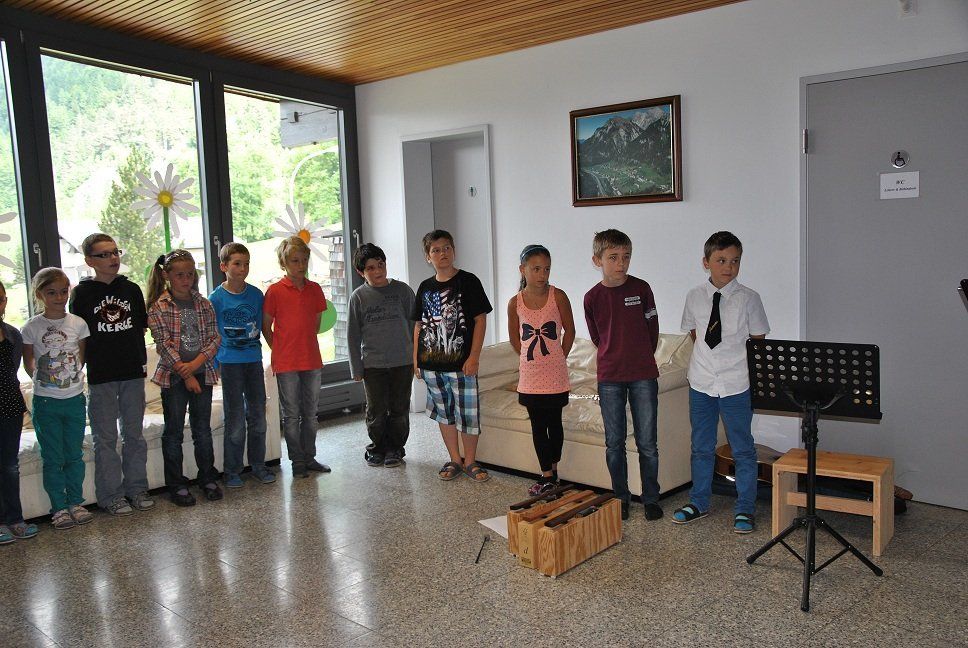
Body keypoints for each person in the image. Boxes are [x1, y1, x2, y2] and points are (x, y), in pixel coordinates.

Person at [674, 231, 770, 534]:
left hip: (736, 384)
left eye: (735, 261)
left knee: (742, 448)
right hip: (701, 382)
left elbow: (757, 341)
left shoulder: (749, 299)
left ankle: (745, 508)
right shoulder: (694, 296)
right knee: (701, 446)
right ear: (706, 262)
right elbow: (696, 334)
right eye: (721, 260)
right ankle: (699, 502)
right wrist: (710, 363)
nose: (729, 267)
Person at [69, 233, 153, 516]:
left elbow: (141, 327)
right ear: (89, 261)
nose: (113, 258)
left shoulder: (131, 289)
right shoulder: (81, 294)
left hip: (131, 372)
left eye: (116, 252)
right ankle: (110, 496)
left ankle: (137, 489)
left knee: (134, 435)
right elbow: (78, 336)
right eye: (104, 255)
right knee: (105, 439)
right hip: (101, 375)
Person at [583, 229, 662, 522]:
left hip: (643, 375)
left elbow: (652, 330)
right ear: (598, 260)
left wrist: (640, 357)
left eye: (626, 257)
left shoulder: (642, 289)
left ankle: (651, 498)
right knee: (614, 443)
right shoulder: (592, 297)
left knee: (647, 443)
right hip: (609, 377)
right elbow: (596, 336)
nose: (621, 263)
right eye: (613, 257)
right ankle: (620, 498)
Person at [413, 229, 493, 482]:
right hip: (431, 366)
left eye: (446, 248)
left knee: (468, 414)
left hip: (462, 366)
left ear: (454, 251)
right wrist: (416, 360)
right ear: (428, 257)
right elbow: (419, 325)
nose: (442, 253)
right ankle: (455, 459)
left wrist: (474, 356)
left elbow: (480, 320)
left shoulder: (469, 281)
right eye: (436, 250)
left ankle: (470, 461)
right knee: (444, 413)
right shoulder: (424, 287)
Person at [147, 249, 222, 506]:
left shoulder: (203, 303)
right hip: (174, 378)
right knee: (174, 432)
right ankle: (177, 485)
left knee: (202, 430)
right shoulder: (159, 307)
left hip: (202, 373)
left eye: (190, 274)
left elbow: (214, 338)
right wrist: (185, 372)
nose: (186, 279)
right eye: (179, 275)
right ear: (167, 276)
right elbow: (163, 344)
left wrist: (195, 365)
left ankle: (207, 478)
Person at [22, 268, 92, 530]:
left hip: (74, 399)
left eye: (63, 292)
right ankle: (59, 508)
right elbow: (29, 362)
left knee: (74, 455)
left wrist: (68, 376)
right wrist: (45, 378)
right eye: (52, 293)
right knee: (53, 457)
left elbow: (80, 358)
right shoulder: (31, 327)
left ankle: (76, 502)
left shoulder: (78, 324)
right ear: (40, 294)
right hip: (46, 402)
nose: (59, 297)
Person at [507, 244, 575, 496]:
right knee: (538, 425)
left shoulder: (559, 296)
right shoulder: (515, 302)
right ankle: (546, 475)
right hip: (530, 377)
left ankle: (554, 473)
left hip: (555, 375)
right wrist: (529, 358)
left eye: (546, 269)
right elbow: (515, 338)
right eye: (536, 269)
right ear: (522, 270)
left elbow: (570, 330)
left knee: (554, 423)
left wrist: (559, 356)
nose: (542, 274)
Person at [263, 236, 330, 478]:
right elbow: (266, 326)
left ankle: (309, 457)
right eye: (294, 261)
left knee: (310, 414)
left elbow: (315, 325)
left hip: (311, 360)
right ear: (284, 263)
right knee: (291, 415)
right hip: (286, 363)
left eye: (304, 260)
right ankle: (297, 461)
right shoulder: (274, 291)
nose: (301, 265)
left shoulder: (315, 289)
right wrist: (279, 350)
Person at [209, 242, 274, 487]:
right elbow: (213, 333)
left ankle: (258, 465)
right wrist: (214, 363)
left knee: (258, 416)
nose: (243, 268)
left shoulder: (256, 295)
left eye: (246, 264)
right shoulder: (216, 298)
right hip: (229, 364)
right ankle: (232, 470)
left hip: (253, 361)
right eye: (237, 264)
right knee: (235, 418)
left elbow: (260, 327)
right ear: (224, 266)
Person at [347, 243, 415, 468]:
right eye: (370, 268)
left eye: (381, 265)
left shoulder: (403, 291)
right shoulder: (358, 297)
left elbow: (415, 327)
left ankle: (395, 448)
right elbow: (352, 335)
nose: (378, 271)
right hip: (373, 365)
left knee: (399, 409)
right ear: (361, 272)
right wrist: (356, 368)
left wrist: (417, 359)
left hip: (402, 362)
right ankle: (377, 448)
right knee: (375, 410)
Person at [0, 280, 37, 542]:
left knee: (10, 466)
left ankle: (15, 519)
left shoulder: (12, 334)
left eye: (1, 299)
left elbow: (13, 369)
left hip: (10, 406)